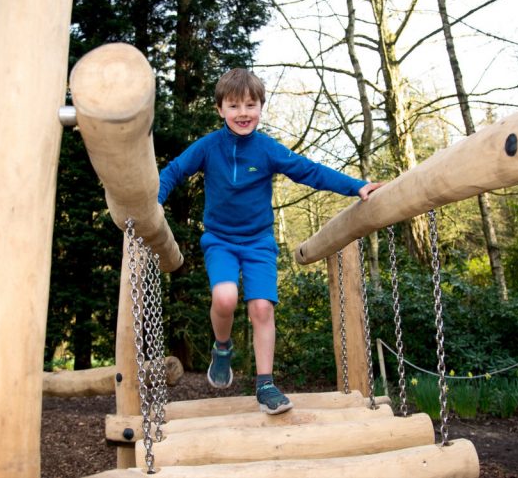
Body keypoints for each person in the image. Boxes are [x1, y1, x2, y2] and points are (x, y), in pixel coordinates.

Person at [157, 68, 382, 415]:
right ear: (220, 110)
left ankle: (265, 384)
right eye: (234, 106)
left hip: (259, 242)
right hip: (220, 240)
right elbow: (172, 171)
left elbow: (311, 171)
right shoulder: (208, 147)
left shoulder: (267, 150)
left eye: (251, 105)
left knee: (261, 307)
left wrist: (357, 185)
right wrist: (154, 200)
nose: (243, 113)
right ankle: (222, 348)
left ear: (261, 107)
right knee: (225, 296)